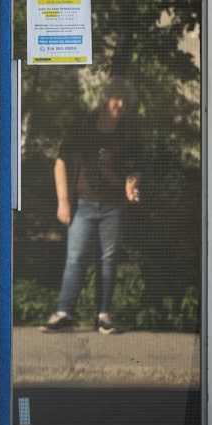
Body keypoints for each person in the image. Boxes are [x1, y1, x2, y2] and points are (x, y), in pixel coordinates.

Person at [43, 76, 140, 334]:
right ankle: (64, 314)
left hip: (113, 207)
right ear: (105, 99)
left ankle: (103, 316)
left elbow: (133, 169)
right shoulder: (83, 126)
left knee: (109, 260)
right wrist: (63, 202)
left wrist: (131, 186)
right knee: (75, 258)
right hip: (82, 206)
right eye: (116, 98)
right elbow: (61, 163)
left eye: (125, 100)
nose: (121, 104)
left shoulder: (128, 133)